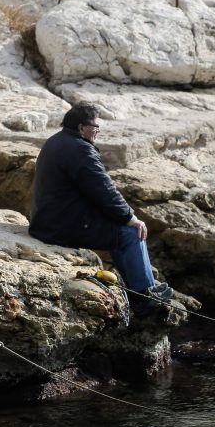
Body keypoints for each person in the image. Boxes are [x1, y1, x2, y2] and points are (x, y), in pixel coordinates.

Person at [29, 104, 174, 317]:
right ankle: (144, 297)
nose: (98, 131)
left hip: (47, 221)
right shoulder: (80, 149)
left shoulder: (56, 140)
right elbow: (104, 189)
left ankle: (140, 287)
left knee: (115, 225)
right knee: (131, 233)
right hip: (61, 227)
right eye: (96, 126)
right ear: (82, 127)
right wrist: (130, 218)